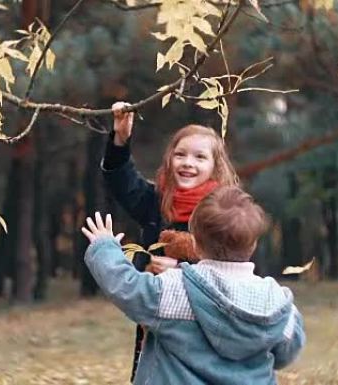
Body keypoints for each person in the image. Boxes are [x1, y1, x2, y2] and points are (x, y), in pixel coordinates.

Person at [81, 186, 306, 385]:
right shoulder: (278, 304)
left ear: (195, 243)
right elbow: (286, 353)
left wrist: (104, 247)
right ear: (253, 245)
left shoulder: (174, 289)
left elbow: (126, 287)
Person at [102, 102, 239, 378]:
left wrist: (179, 273)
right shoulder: (159, 201)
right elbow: (123, 183)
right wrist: (120, 138)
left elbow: (234, 276)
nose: (188, 163)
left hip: (204, 333)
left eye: (200, 157)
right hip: (156, 328)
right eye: (180, 155)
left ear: (215, 166)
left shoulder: (226, 211)